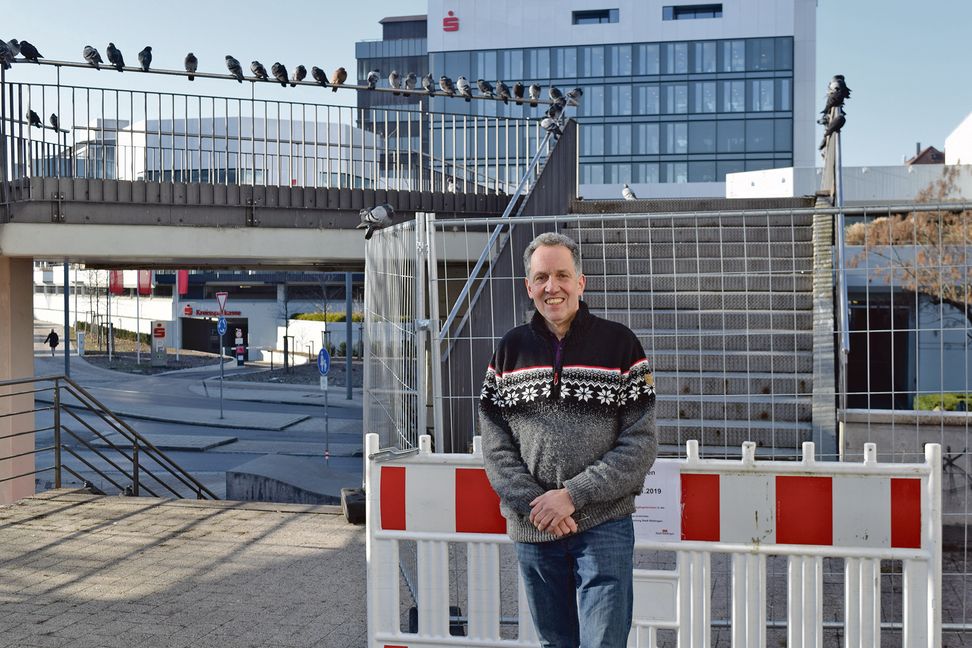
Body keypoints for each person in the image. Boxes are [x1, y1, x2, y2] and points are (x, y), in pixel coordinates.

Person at [479, 232, 657, 648]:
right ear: (529, 287)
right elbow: (495, 443)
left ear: (581, 282)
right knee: (555, 644)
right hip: (534, 526)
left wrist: (572, 496)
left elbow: (640, 442)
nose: (551, 287)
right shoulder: (510, 350)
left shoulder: (621, 345)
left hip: (604, 525)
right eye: (541, 277)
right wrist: (538, 505)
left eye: (562, 275)